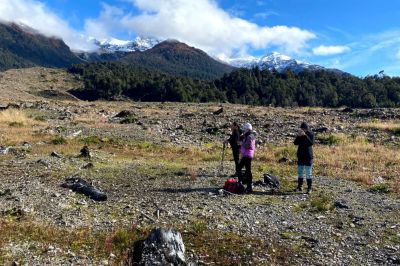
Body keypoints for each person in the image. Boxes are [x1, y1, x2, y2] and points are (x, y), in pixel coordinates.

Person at [294, 122, 315, 193]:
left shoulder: (311, 134)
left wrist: (305, 135)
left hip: (308, 156)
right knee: (300, 172)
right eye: (301, 129)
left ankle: (309, 188)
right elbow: (295, 143)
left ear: (306, 128)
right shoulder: (300, 135)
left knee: (308, 173)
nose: (302, 130)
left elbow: (310, 143)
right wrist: (298, 136)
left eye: (303, 129)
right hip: (300, 156)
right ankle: (299, 186)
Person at [237, 122, 256, 193]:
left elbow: (249, 145)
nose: (244, 130)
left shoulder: (250, 136)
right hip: (247, 155)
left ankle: (247, 184)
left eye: (245, 129)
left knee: (246, 170)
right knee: (243, 169)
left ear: (247, 129)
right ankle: (245, 183)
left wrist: (242, 144)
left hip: (247, 155)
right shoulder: (248, 135)